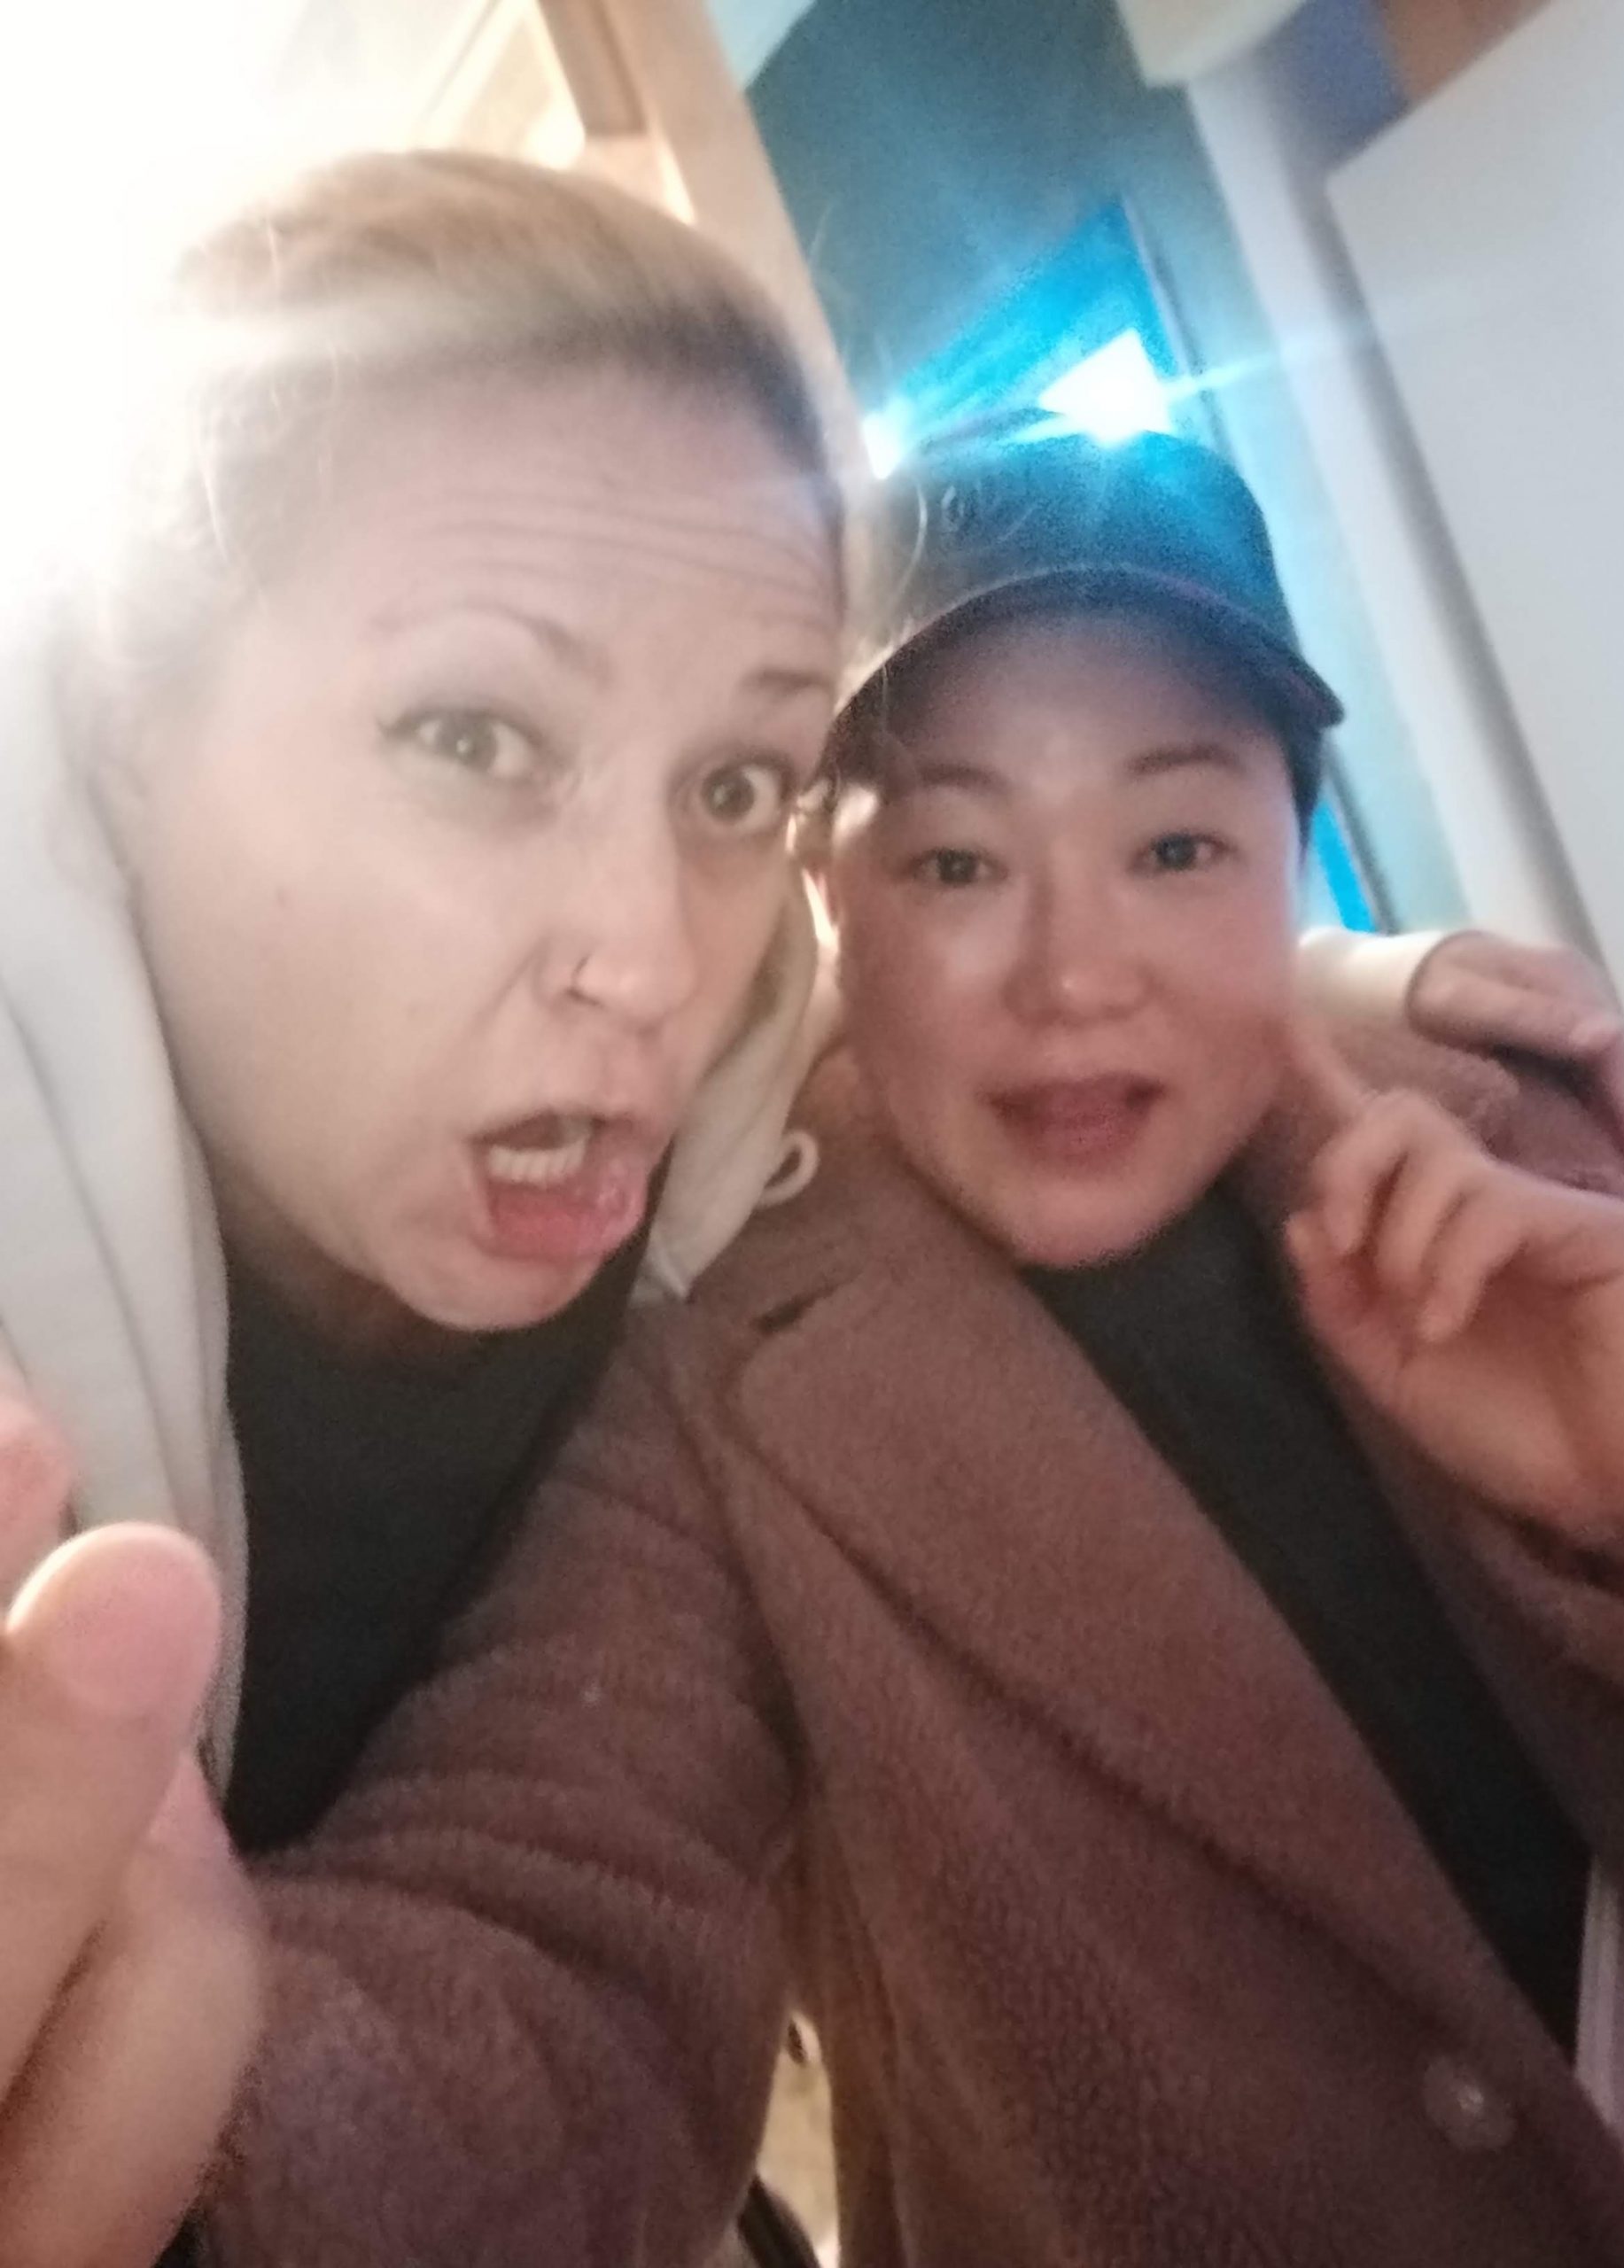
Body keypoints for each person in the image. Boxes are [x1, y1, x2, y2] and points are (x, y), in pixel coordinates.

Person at [0, 163, 1624, 2258]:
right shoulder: (723, 1357)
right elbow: (568, 1937)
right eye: (954, 861)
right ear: (844, 906)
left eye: (1176, 845)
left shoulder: (1531, 1156)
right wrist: (190, 2151)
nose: (642, 959)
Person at [0, 144, 846, 2264]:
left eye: (737, 785)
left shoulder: (759, 1224)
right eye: (477, 734)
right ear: (117, 728)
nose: (649, 956)